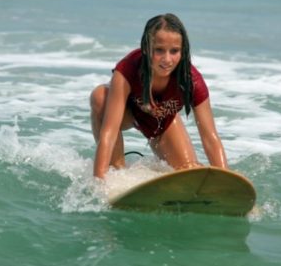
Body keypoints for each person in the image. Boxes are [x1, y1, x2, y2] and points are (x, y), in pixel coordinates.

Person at [90, 13, 228, 179]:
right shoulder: (128, 69)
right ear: (146, 49)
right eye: (159, 50)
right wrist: (99, 181)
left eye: (174, 51)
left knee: (187, 171)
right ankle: (117, 171)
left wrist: (226, 181)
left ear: (183, 51)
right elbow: (108, 133)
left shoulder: (190, 81)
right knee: (100, 96)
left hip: (162, 124)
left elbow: (210, 138)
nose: (167, 59)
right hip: (129, 114)